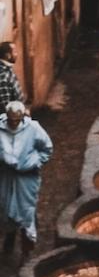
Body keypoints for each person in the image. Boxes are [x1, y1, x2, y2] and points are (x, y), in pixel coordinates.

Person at [0, 102, 52, 254]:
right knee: (6, 208)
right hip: (6, 177)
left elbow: (47, 149)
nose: (14, 123)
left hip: (26, 179)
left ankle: (27, 247)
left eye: (17, 120)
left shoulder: (33, 128)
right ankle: (9, 241)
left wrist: (34, 162)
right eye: (11, 120)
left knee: (27, 209)